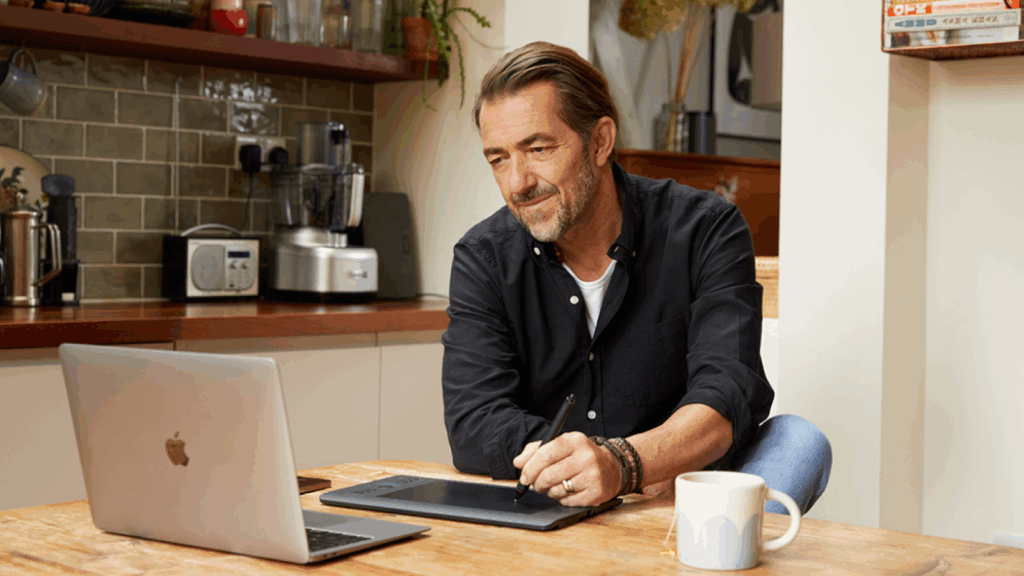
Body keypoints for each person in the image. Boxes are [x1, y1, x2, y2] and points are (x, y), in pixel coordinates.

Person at [441, 41, 829, 510]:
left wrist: (629, 462)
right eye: (498, 159)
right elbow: (475, 422)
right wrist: (586, 467)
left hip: (685, 495)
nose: (517, 182)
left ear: (600, 141)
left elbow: (728, 389)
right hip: (563, 499)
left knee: (799, 441)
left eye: (538, 148)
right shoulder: (484, 257)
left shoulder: (707, 228)